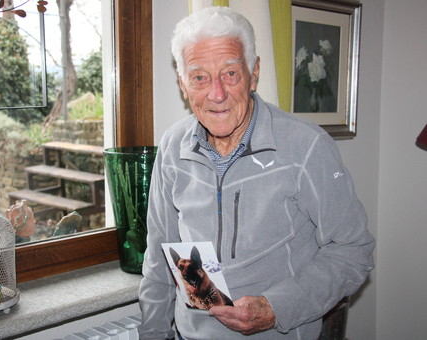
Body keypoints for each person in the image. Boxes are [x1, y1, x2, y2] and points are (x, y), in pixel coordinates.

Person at [138, 6, 374, 340]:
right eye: (199, 77)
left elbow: (354, 250)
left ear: (254, 72)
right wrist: (152, 333)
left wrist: (277, 306)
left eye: (230, 73)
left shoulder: (306, 146)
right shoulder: (173, 147)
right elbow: (159, 252)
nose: (216, 94)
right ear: (182, 83)